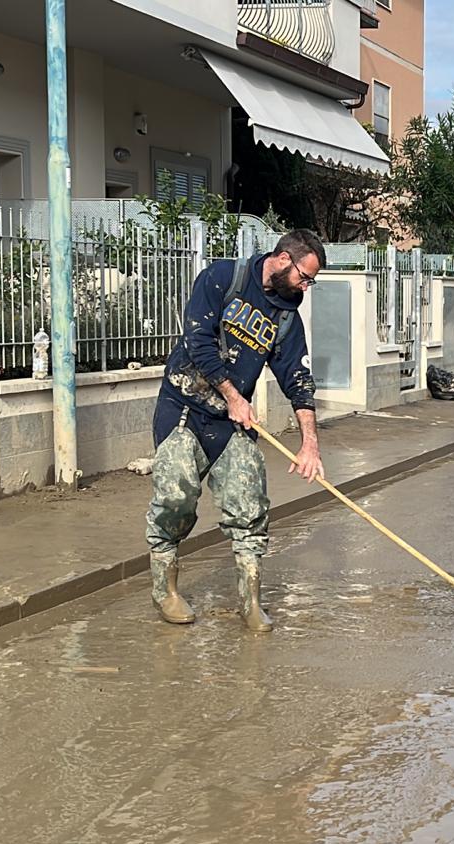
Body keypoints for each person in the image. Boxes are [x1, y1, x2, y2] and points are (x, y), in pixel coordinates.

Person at [144, 229, 327, 628]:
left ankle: (251, 601)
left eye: (311, 281)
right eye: (304, 277)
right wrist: (233, 395)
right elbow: (199, 342)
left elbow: (297, 377)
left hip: (230, 423)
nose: (306, 287)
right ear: (282, 260)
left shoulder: (285, 315)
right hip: (184, 409)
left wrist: (309, 444)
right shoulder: (222, 279)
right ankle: (165, 590)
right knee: (175, 501)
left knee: (249, 505)